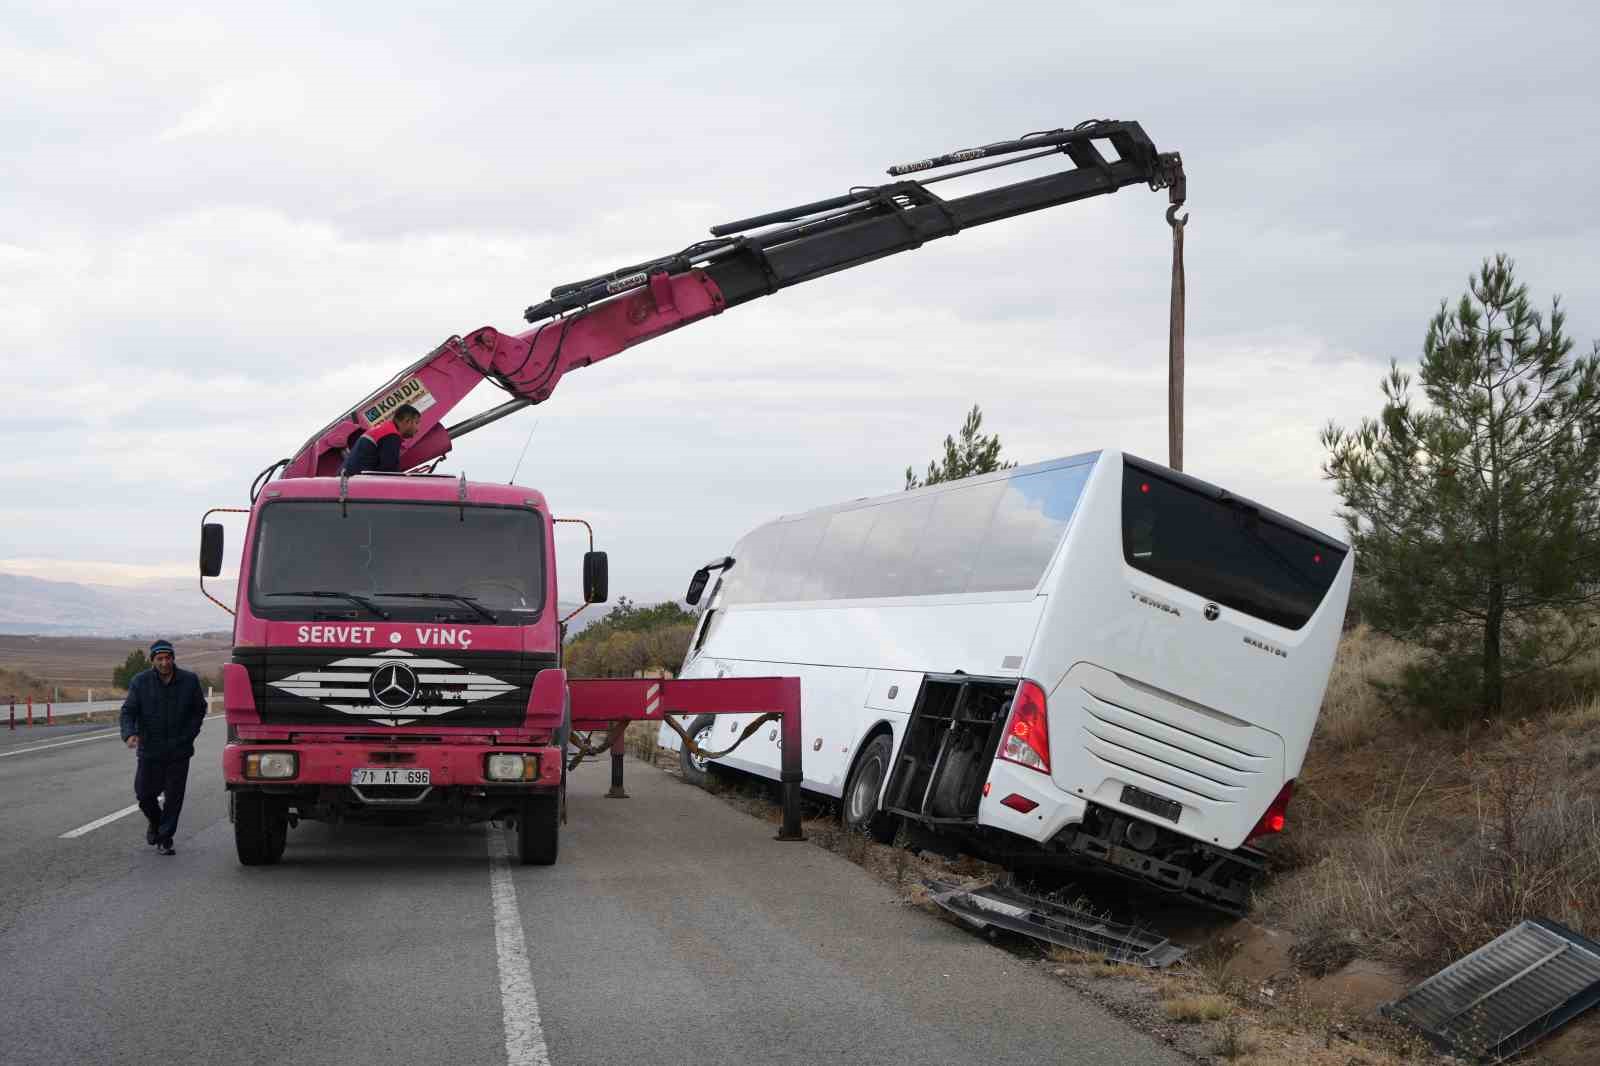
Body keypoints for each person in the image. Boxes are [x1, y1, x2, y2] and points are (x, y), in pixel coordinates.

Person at [119, 639, 208, 856]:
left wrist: (189, 735)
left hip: (179, 750)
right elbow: (128, 711)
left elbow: (199, 710)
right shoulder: (140, 682)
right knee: (144, 795)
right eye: (160, 659)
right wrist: (130, 733)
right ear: (153, 661)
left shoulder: (189, 681)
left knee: (174, 797)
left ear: (173, 658)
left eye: (168, 658)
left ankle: (165, 838)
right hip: (150, 749)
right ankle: (156, 822)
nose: (164, 662)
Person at [340, 404, 421, 476]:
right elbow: (389, 472)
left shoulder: (384, 430)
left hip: (348, 481)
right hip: (355, 485)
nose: (417, 429)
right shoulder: (391, 436)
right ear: (407, 421)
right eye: (416, 423)